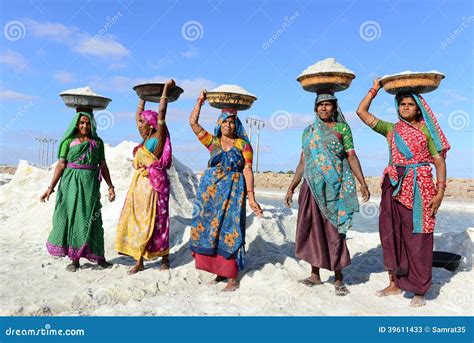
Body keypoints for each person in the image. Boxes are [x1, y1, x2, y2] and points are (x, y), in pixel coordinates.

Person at [355, 79, 449, 307]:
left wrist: (440, 193)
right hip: (394, 185)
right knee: (390, 234)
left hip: (420, 187)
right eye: (402, 104)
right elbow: (361, 111)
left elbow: (438, 162)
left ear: (418, 107)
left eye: (410, 104)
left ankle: (419, 288)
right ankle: (394, 283)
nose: (406, 107)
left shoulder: (427, 130)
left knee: (418, 236)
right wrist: (375, 88)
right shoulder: (391, 129)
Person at [285, 93, 370, 296]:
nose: (324, 108)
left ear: (334, 108)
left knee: (335, 232)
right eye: (320, 105)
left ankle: (339, 278)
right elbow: (303, 162)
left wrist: (362, 182)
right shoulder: (308, 132)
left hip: (334, 187)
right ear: (315, 109)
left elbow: (351, 156)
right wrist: (292, 187)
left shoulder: (342, 129)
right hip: (312, 188)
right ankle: (315, 274)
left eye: (328, 105)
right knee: (312, 230)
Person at [188, 90, 263, 292]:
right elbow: (193, 124)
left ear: (237, 124)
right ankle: (219, 271)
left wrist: (251, 197)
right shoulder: (213, 143)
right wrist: (200, 102)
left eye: (232, 122)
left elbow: (247, 169)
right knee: (212, 230)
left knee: (231, 229)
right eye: (225, 122)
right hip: (210, 193)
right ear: (219, 124)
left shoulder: (244, 145)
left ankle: (232, 277)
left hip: (234, 192)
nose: (228, 125)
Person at [41, 108, 116, 272]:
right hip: (71, 184)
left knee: (94, 218)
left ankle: (99, 256)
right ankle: (74, 259)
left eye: (88, 123)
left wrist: (110, 186)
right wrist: (50, 188)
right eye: (82, 123)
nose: (85, 126)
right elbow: (61, 164)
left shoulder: (97, 143)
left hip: (90, 184)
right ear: (76, 124)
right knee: (74, 217)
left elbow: (102, 165)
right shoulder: (68, 142)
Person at [115, 80, 174, 274]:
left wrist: (165, 89)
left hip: (155, 186)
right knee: (140, 222)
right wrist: (141, 98)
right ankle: (139, 260)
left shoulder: (158, 137)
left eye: (142, 123)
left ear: (150, 125)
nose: (139, 125)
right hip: (140, 186)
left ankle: (164, 256)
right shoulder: (145, 138)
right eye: (140, 122)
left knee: (158, 220)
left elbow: (162, 113)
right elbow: (136, 116)